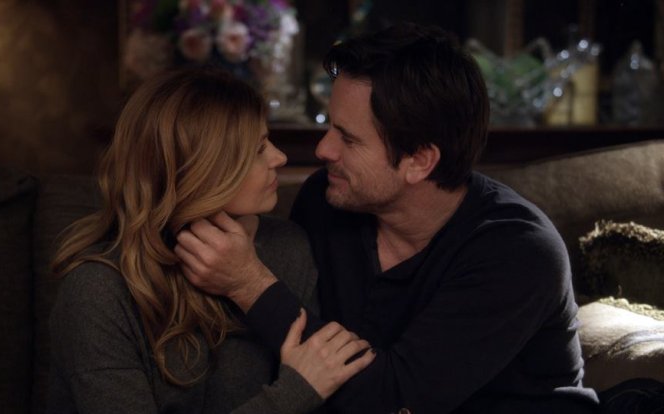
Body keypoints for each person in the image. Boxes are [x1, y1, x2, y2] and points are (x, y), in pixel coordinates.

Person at [174, 24, 601, 413]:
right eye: (329, 126)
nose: (323, 150)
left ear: (419, 161)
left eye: (348, 139)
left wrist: (248, 283)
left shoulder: (517, 252)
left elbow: (389, 401)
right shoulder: (326, 202)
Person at [46, 68, 374, 414]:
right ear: (199, 170)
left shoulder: (288, 247)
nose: (279, 158)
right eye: (257, 149)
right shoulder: (98, 291)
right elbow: (306, 385)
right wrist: (294, 393)